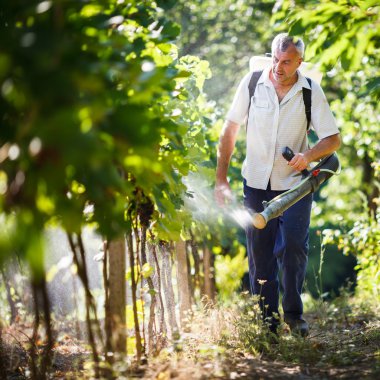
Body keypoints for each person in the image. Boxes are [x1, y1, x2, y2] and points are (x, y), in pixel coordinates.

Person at [215, 33, 341, 336]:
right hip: (256, 185)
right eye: (275, 59)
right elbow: (230, 129)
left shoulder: (310, 91)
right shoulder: (252, 83)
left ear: (299, 62)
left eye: (286, 62)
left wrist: (307, 156)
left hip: (295, 187)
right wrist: (221, 179)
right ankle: (267, 325)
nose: (278, 66)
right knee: (260, 257)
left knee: (295, 247)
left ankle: (294, 316)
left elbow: (333, 139)